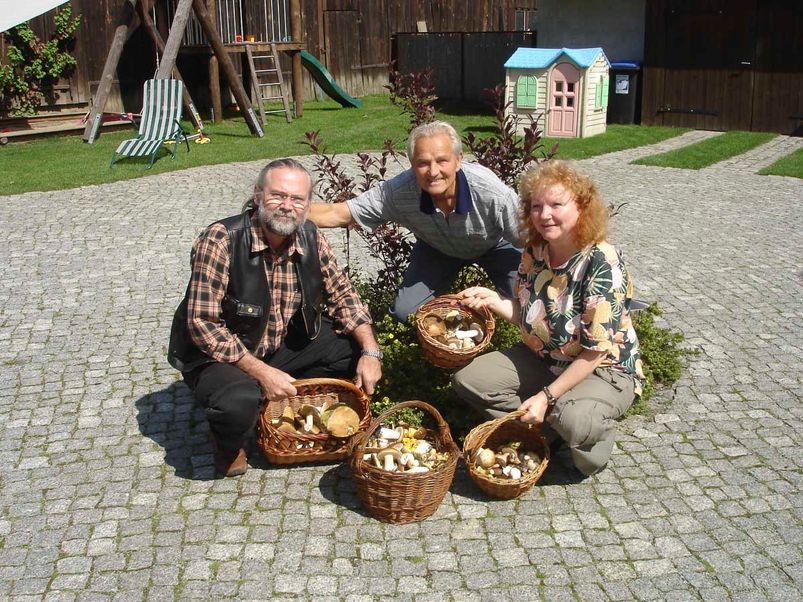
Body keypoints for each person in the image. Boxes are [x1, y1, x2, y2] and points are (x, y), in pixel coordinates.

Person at [168, 159, 382, 478]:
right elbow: (203, 323)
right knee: (238, 401)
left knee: (351, 352)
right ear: (257, 196)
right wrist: (262, 373)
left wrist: (371, 351)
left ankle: (291, 406)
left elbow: (343, 295)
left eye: (297, 199)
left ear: (308, 204)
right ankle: (229, 441)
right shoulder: (222, 239)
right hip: (218, 358)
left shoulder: (310, 236)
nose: (287, 206)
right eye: (277, 195)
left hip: (273, 346)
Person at [452, 160, 645, 476]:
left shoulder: (601, 263)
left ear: (582, 207)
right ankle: (547, 430)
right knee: (470, 380)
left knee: (575, 428)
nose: (544, 215)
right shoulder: (535, 251)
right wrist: (494, 299)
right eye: (537, 206)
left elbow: (596, 351)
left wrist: (546, 396)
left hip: (603, 369)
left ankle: (586, 429)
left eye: (557, 204)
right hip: (545, 359)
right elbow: (533, 317)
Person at [309, 120, 521, 322]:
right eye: (423, 163)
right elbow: (339, 213)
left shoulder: (492, 193)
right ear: (412, 164)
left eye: (442, 160)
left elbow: (531, 239)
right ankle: (444, 340)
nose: (433, 172)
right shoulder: (399, 192)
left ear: (458, 160)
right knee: (406, 312)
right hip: (438, 248)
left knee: (528, 304)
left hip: (495, 244)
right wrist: (284, 211)